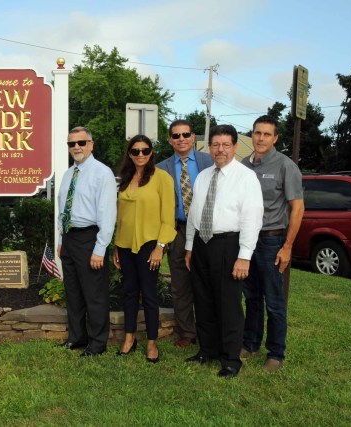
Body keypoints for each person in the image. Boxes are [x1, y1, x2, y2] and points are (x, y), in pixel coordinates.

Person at [183, 125, 263, 379]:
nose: (220, 150)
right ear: (209, 147)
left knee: (228, 304)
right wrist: (188, 247)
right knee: (203, 300)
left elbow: (253, 218)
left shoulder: (245, 177)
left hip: (229, 245)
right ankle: (207, 350)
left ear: (235, 147)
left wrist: (244, 256)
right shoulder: (203, 175)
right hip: (201, 244)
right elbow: (194, 214)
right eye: (215, 145)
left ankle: (230, 359)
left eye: (225, 145)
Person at [241, 115, 304, 372]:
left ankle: (276, 353)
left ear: (275, 138)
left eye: (267, 134)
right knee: (251, 297)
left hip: (271, 240)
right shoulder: (244, 165)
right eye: (257, 133)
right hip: (247, 241)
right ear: (252, 134)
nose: (261, 138)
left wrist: (287, 246)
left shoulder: (285, 166)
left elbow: (298, 208)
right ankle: (250, 343)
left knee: (274, 300)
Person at [112, 135, 176, 363]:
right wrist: (117, 247)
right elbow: (121, 217)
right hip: (126, 244)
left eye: (145, 150)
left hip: (150, 244)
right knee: (129, 292)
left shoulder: (162, 178)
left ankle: (151, 342)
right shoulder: (126, 178)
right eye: (135, 151)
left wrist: (160, 247)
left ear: (151, 152)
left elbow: (168, 218)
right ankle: (129, 337)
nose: (140, 155)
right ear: (129, 154)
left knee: (149, 294)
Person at [57, 126, 118, 357]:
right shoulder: (68, 174)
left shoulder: (102, 173)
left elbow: (107, 214)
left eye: (81, 143)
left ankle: (97, 343)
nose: (76, 147)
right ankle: (77, 337)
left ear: (91, 144)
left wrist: (99, 248)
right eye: (71, 144)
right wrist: (62, 237)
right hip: (70, 239)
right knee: (73, 293)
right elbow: (63, 209)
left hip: (89, 238)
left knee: (94, 294)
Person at [156, 120, 214, 348]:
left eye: (185, 134)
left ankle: (208, 328)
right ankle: (187, 332)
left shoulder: (208, 162)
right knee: (180, 284)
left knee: (207, 281)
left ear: (193, 137)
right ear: (170, 139)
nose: (181, 139)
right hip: (178, 229)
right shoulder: (161, 168)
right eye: (176, 135)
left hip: (205, 229)